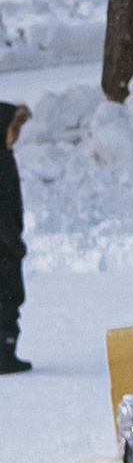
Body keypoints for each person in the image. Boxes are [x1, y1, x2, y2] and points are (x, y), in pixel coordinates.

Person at [0, 99, 27, 373]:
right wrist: (14, 244)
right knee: (9, 299)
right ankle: (4, 355)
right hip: (4, 248)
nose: (17, 133)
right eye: (14, 127)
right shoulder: (2, 160)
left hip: (6, 244)